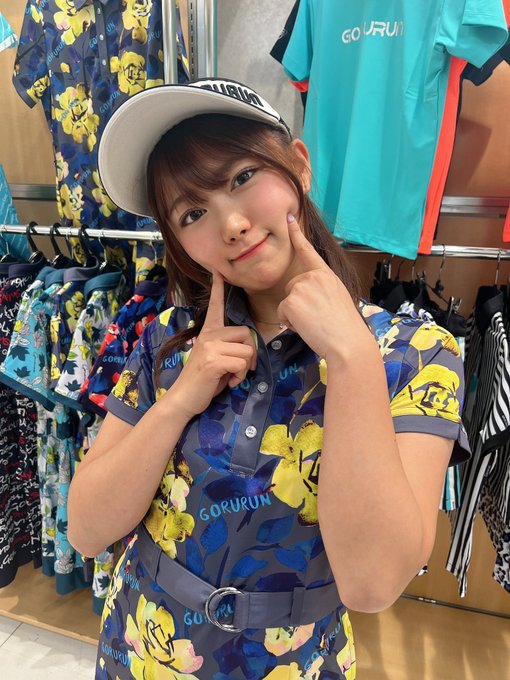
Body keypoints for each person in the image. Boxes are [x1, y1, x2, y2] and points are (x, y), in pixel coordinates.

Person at [68, 78, 470, 680]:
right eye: (192, 213)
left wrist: (353, 360)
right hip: (141, 650)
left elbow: (372, 584)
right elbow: (85, 529)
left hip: (297, 664)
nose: (231, 223)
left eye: (242, 177)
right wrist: (178, 401)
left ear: (299, 166)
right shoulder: (165, 341)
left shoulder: (418, 354)